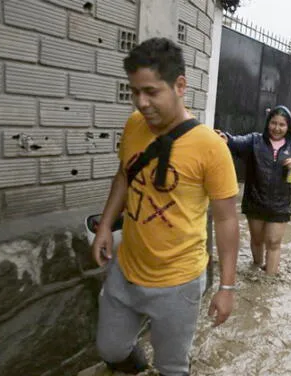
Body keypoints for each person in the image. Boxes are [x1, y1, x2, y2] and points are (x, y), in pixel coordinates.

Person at [91, 38, 240, 376]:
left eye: (151, 92)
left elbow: (228, 220)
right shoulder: (133, 126)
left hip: (179, 282)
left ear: (180, 85)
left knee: (172, 367)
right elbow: (124, 177)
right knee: (110, 349)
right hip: (126, 269)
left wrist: (226, 288)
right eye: (134, 92)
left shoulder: (210, 148)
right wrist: (104, 226)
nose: (141, 103)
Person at [222, 106, 291, 275]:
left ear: (288, 126)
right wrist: (226, 138)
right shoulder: (254, 141)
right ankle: (256, 267)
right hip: (255, 200)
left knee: (274, 242)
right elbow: (235, 142)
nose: (277, 128)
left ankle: (269, 280)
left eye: (282, 125)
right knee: (256, 239)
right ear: (268, 123)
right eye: (273, 123)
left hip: (280, 204)